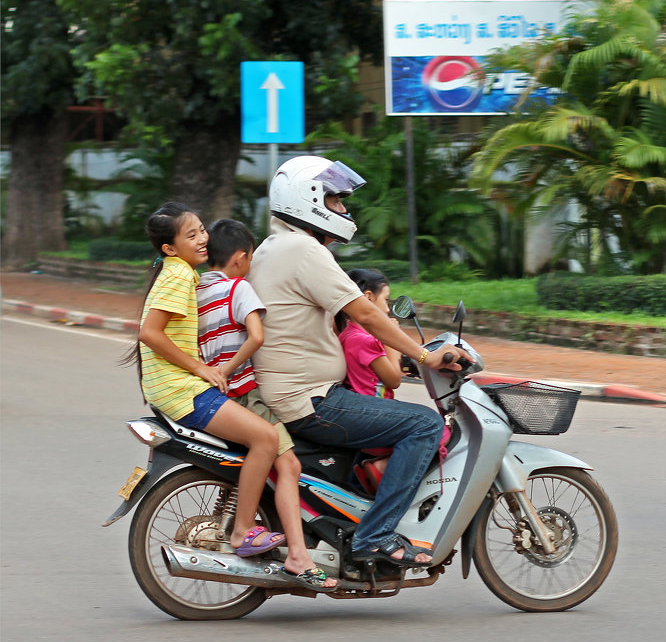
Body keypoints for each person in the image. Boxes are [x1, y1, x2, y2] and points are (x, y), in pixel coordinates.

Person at [247, 156, 471, 569]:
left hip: (292, 390)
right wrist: (424, 355)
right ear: (308, 200)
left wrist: (400, 361)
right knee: (424, 425)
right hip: (311, 399)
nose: (344, 211)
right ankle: (376, 536)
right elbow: (367, 314)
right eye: (335, 201)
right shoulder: (303, 249)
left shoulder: (275, 246)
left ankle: (352, 517)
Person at [132, 203, 335, 591]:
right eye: (190, 235)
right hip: (182, 390)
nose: (202, 238)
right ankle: (243, 532)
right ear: (170, 248)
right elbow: (150, 334)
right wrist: (201, 369)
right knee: (267, 437)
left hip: (175, 388)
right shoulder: (179, 275)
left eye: (202, 230)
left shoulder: (189, 276)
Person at [335, 268, 402, 493]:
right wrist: (392, 339)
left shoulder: (348, 334)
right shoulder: (364, 340)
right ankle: (382, 467)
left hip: (361, 411)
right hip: (374, 416)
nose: (388, 308)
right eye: (386, 299)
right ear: (368, 298)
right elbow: (393, 379)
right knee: (435, 430)